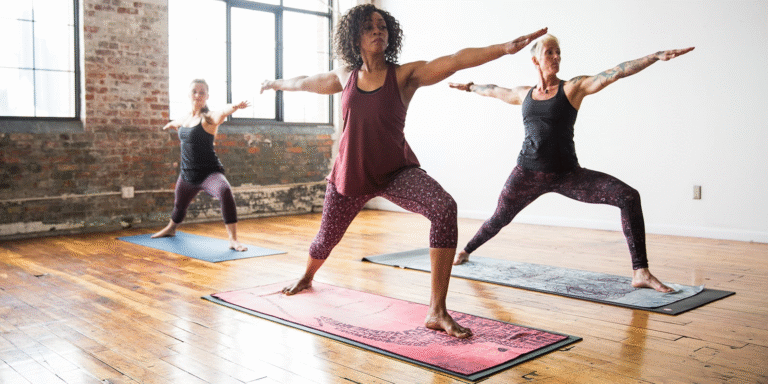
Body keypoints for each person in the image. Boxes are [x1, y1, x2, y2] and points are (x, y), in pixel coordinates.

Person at [260, 3, 546, 338]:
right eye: (369, 27)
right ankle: (308, 276)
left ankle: (436, 311)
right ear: (355, 37)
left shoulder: (404, 75)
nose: (378, 31)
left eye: (382, 25)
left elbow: (455, 60)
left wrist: (504, 49)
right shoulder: (345, 76)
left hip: (396, 171)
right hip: (350, 175)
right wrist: (275, 83)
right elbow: (305, 82)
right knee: (327, 237)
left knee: (444, 208)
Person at [448, 34, 694, 293]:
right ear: (535, 60)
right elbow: (496, 91)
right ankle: (466, 251)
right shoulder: (524, 94)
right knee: (498, 218)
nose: (556, 57)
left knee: (628, 196)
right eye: (550, 53)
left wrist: (653, 57)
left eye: (558, 53)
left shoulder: (572, 88)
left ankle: (640, 271)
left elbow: (613, 73)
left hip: (567, 175)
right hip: (526, 174)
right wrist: (470, 86)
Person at [152, 79, 251, 252]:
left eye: (202, 92)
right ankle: (171, 228)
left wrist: (234, 106)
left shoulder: (209, 118)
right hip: (187, 175)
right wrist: (168, 125)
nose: (197, 95)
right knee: (179, 206)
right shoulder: (184, 118)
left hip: (209, 173)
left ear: (207, 96)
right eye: (194, 92)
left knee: (224, 191)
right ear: (189, 95)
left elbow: (222, 112)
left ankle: (233, 239)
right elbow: (175, 123)